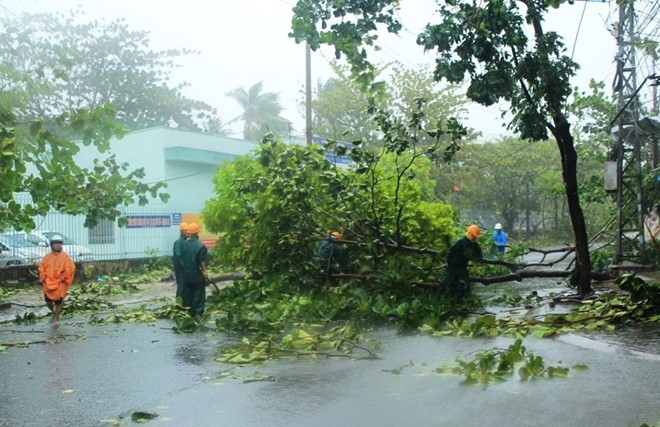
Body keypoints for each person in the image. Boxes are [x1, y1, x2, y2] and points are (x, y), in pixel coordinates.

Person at [437, 225, 484, 301]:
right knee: (443, 283)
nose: (474, 238)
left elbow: (479, 251)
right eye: (473, 236)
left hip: (462, 267)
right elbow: (450, 252)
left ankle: (462, 301)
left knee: (465, 284)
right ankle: (437, 300)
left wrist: (479, 260)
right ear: (469, 233)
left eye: (476, 237)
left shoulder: (474, 244)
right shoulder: (460, 242)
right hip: (451, 266)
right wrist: (446, 262)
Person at [38, 235, 76, 325]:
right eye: (55, 243)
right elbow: (42, 268)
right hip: (49, 282)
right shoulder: (47, 257)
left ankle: (56, 318)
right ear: (51, 245)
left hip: (61, 282)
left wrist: (65, 276)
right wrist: (44, 277)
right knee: (48, 301)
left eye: (59, 243)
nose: (57, 245)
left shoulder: (65, 257)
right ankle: (53, 313)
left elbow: (71, 268)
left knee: (59, 301)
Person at [181, 223, 209, 316]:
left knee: (188, 292)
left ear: (189, 233)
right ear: (197, 233)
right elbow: (202, 261)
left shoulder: (184, 244)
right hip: (197, 273)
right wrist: (205, 272)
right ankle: (198, 311)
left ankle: (189, 310)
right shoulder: (201, 246)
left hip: (187, 273)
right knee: (199, 293)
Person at [172, 222, 189, 304]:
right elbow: (178, 256)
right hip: (181, 269)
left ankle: (184, 303)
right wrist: (184, 266)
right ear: (182, 231)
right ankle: (179, 304)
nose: (188, 232)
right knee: (181, 286)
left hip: (184, 269)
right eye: (186, 230)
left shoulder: (185, 242)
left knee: (185, 286)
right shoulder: (178, 242)